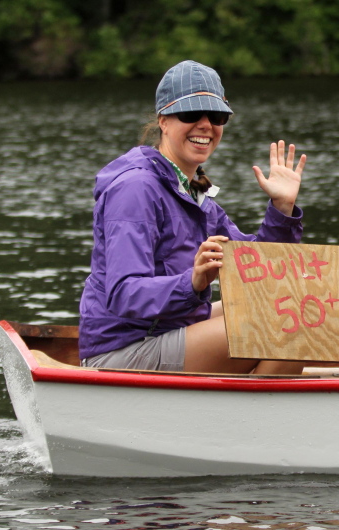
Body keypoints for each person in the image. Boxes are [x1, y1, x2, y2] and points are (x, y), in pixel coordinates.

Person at [78, 60, 307, 374]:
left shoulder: (194, 187)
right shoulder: (135, 188)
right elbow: (123, 293)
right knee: (281, 323)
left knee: (294, 307)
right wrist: (193, 281)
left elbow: (255, 266)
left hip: (171, 330)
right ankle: (257, 416)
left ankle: (257, 400)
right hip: (124, 350)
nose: (205, 125)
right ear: (164, 121)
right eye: (190, 114)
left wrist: (282, 208)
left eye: (216, 116)